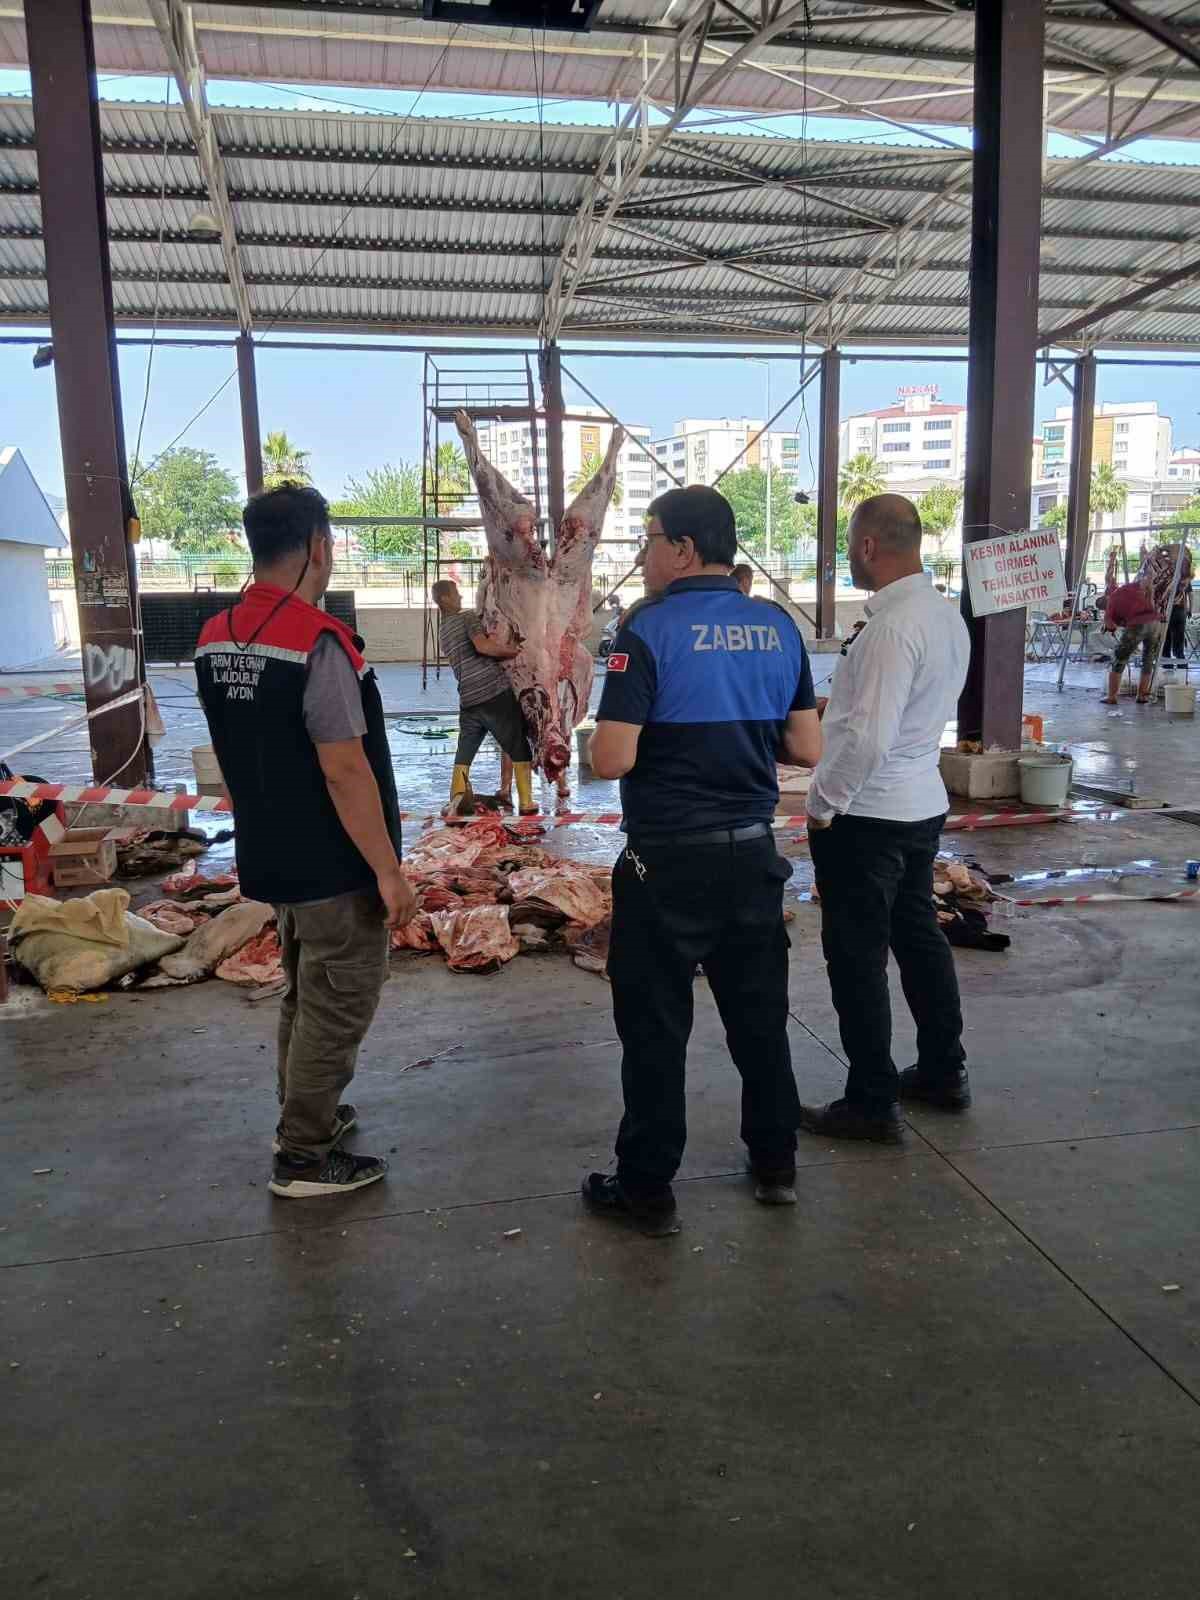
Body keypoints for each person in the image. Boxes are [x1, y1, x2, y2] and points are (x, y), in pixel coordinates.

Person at [582, 485, 822, 1235]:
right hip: (752, 857)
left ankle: (648, 1190)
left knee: (656, 1032)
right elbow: (808, 749)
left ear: (683, 548)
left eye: (647, 539)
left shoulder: (646, 631)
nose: (641, 554)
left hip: (666, 865)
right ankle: (775, 1164)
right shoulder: (777, 627)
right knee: (759, 1024)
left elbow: (613, 756)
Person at [195, 483, 416, 1198]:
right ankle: (303, 1158)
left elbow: (233, 745)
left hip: (270, 850)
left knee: (303, 990)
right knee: (339, 1000)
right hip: (331, 863)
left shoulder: (215, 633)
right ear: (320, 547)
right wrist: (387, 871)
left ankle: (304, 1115)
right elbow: (345, 768)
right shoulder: (317, 641)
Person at [800, 494, 971, 1144]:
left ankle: (871, 1101)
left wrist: (822, 806)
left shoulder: (892, 628)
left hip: (867, 817)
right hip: (920, 803)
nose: (848, 554)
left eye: (850, 543)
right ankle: (942, 1070)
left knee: (857, 958)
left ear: (869, 546)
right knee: (919, 938)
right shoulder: (942, 616)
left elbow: (868, 738)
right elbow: (890, 714)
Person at [431, 578, 536, 814]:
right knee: (517, 744)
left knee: (465, 751)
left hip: (468, 699)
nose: (460, 597)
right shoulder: (467, 618)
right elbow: (483, 647)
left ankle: (456, 799)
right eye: (456, 592)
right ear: (445, 598)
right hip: (493, 693)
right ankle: (527, 802)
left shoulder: (443, 631)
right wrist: (512, 651)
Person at [1101, 577, 1163, 705]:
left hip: (1138, 624)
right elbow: (1147, 581)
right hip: (1155, 622)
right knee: (1148, 659)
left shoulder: (1110, 602)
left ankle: (1111, 697)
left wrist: (1110, 627)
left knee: (1119, 658)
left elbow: (1111, 625)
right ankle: (1142, 695)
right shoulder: (1129, 587)